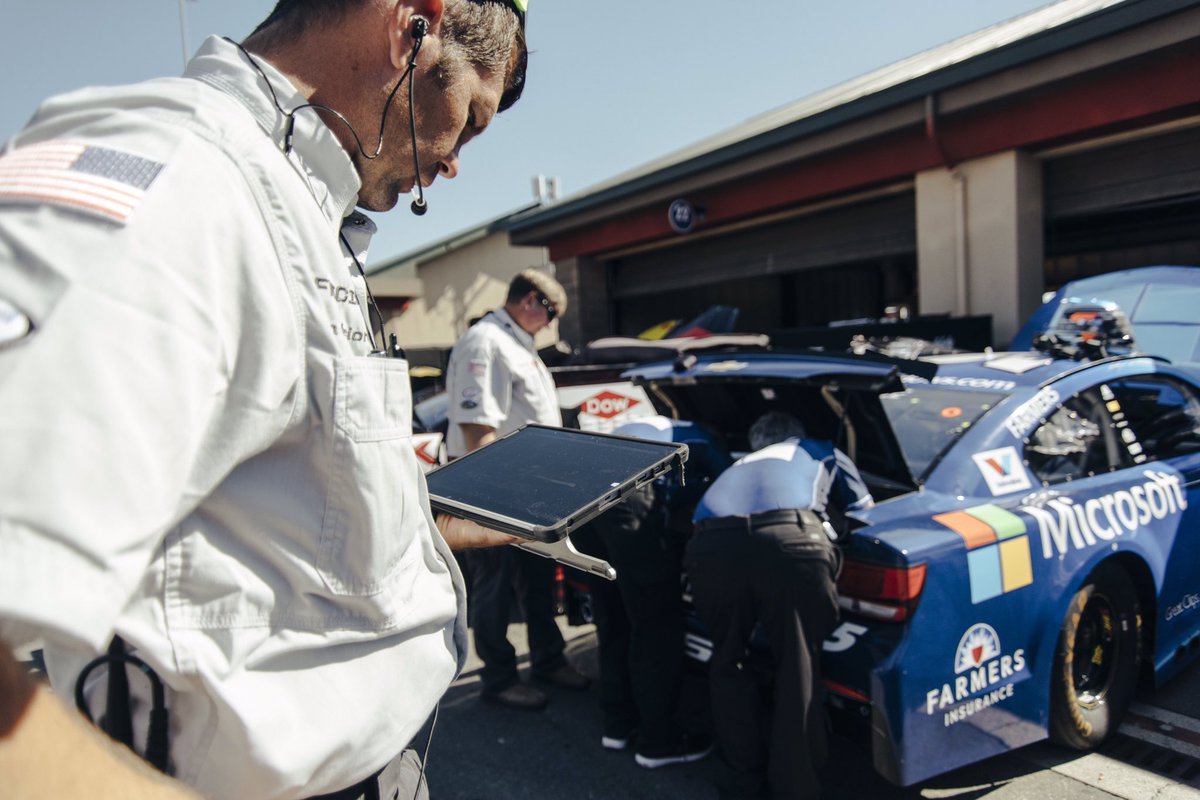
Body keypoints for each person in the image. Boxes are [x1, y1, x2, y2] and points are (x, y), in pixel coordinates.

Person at [0, 2, 529, 798]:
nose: (455, 159)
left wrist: (414, 529)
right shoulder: (187, 169)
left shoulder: (296, 204)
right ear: (413, 25)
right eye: (473, 117)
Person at [686, 411, 875, 800]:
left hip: (711, 545)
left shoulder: (737, 464)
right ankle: (795, 787)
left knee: (726, 661)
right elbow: (866, 515)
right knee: (797, 667)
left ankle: (739, 782)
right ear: (797, 434)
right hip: (791, 541)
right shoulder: (819, 449)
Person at [444, 269, 591, 710]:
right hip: (494, 488)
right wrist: (495, 503)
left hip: (529, 489)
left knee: (538, 580)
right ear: (530, 301)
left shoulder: (517, 343)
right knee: (495, 586)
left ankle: (548, 659)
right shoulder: (485, 342)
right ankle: (498, 678)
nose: (550, 324)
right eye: (550, 313)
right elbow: (477, 429)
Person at [584, 415, 730, 768]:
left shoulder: (648, 425)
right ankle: (658, 742)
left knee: (613, 619)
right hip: (632, 503)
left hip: (587, 499)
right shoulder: (704, 440)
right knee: (654, 627)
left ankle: (617, 725)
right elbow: (727, 487)